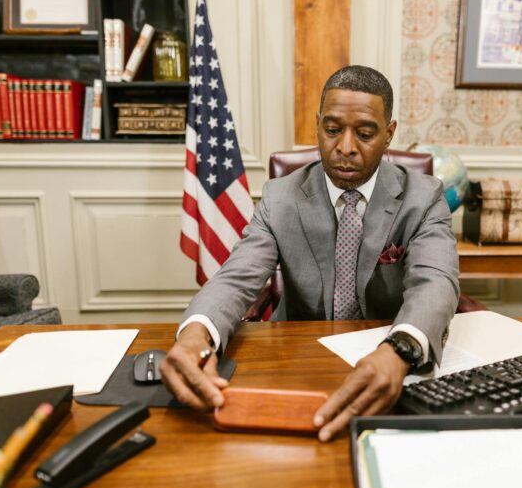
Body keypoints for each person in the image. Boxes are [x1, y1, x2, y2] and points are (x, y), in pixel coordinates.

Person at [161, 65, 459, 441]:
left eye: (365, 133)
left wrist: (400, 350)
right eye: (332, 130)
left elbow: (437, 281)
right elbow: (237, 277)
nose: (346, 147)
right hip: (298, 361)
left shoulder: (424, 196)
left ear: (389, 134)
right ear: (318, 125)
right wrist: (195, 335)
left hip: (388, 364)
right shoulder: (280, 197)